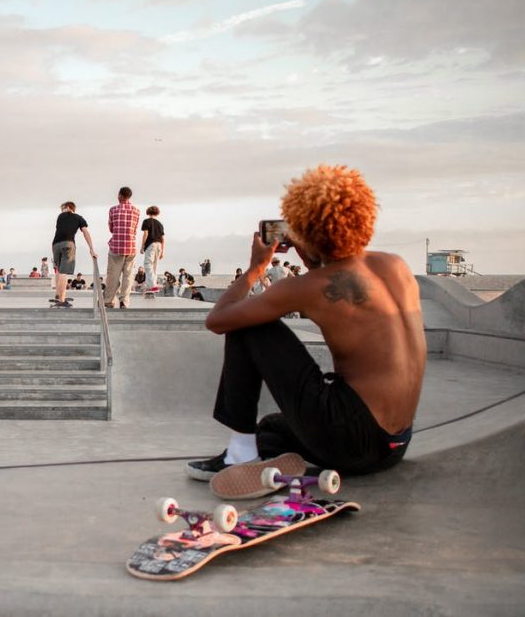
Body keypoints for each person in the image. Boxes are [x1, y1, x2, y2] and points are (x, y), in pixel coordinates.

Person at [185, 164, 425, 491]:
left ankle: (239, 455)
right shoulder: (395, 266)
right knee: (272, 429)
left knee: (250, 326)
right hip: (394, 446)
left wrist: (256, 268)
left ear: (306, 228)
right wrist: (314, 257)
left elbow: (219, 319)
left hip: (350, 441)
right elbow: (343, 292)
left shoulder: (308, 286)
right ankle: (264, 449)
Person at [50, 201, 97, 307]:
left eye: (63, 208)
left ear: (68, 207)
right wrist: (91, 249)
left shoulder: (60, 217)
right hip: (68, 243)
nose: (61, 210)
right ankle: (62, 300)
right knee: (64, 273)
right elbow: (85, 232)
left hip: (55, 244)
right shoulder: (79, 218)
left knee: (58, 270)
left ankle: (58, 295)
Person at [105, 186, 140, 309]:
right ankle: (124, 302)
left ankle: (108, 301)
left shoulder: (113, 210)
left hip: (116, 247)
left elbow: (111, 228)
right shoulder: (136, 211)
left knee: (113, 276)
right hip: (131, 247)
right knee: (128, 276)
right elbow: (134, 230)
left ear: (120, 195)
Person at [140, 205, 165, 295]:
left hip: (151, 244)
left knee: (147, 264)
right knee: (154, 266)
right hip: (159, 245)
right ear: (157, 213)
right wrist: (162, 251)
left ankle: (153, 286)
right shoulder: (160, 224)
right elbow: (163, 239)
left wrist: (142, 246)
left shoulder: (146, 221)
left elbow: (146, 234)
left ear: (148, 212)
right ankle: (150, 286)